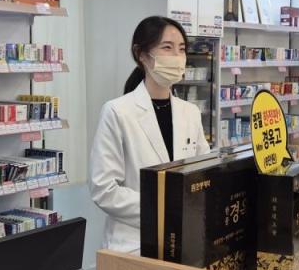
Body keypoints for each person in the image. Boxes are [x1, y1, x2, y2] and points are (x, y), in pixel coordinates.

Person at [89, 16, 211, 252]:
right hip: (134, 242)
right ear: (141, 55)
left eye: (182, 49)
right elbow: (104, 189)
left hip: (185, 236)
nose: (177, 56)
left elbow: (203, 173)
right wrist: (163, 209)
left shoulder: (190, 112)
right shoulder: (117, 112)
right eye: (167, 47)